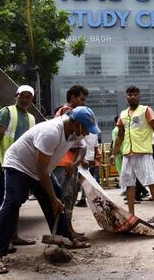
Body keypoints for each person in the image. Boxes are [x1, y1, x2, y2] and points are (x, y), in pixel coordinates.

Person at [0, 106, 97, 274]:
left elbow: (82, 148)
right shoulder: (51, 132)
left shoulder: (75, 132)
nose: (88, 134)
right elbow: (41, 170)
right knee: (12, 202)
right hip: (19, 165)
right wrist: (52, 199)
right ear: (75, 123)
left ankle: (64, 238)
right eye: (86, 129)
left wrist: (74, 164)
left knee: (57, 196)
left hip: (41, 168)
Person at [0, 85, 37, 248]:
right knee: (4, 203)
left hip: (20, 165)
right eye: (22, 96)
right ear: (16, 95)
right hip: (4, 164)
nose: (25, 99)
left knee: (16, 202)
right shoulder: (6, 112)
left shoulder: (31, 118)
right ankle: (2, 241)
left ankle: (13, 236)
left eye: (29, 97)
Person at [110, 86, 154, 223]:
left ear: (139, 96)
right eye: (130, 94)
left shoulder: (145, 110)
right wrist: (113, 153)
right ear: (126, 96)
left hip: (143, 152)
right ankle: (131, 215)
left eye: (135, 94)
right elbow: (120, 136)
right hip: (127, 154)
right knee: (129, 184)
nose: (133, 97)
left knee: (151, 181)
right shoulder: (123, 114)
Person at [53, 85, 89, 237]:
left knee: (70, 196)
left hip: (70, 162)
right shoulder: (67, 113)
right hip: (62, 162)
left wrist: (78, 161)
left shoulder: (73, 114)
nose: (83, 103)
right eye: (81, 99)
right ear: (72, 97)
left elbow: (80, 143)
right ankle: (61, 231)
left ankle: (67, 229)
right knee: (63, 196)